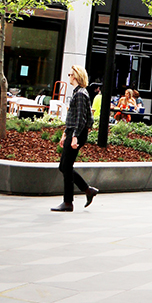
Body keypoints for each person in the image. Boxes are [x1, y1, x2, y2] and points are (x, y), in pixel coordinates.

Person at [51, 65, 98, 212]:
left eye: (70, 74)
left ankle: (68, 202)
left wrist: (75, 136)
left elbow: (81, 119)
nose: (69, 77)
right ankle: (87, 190)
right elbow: (75, 117)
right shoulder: (79, 93)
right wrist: (66, 133)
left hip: (76, 133)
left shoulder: (80, 94)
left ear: (76, 76)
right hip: (73, 132)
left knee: (66, 166)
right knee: (64, 166)